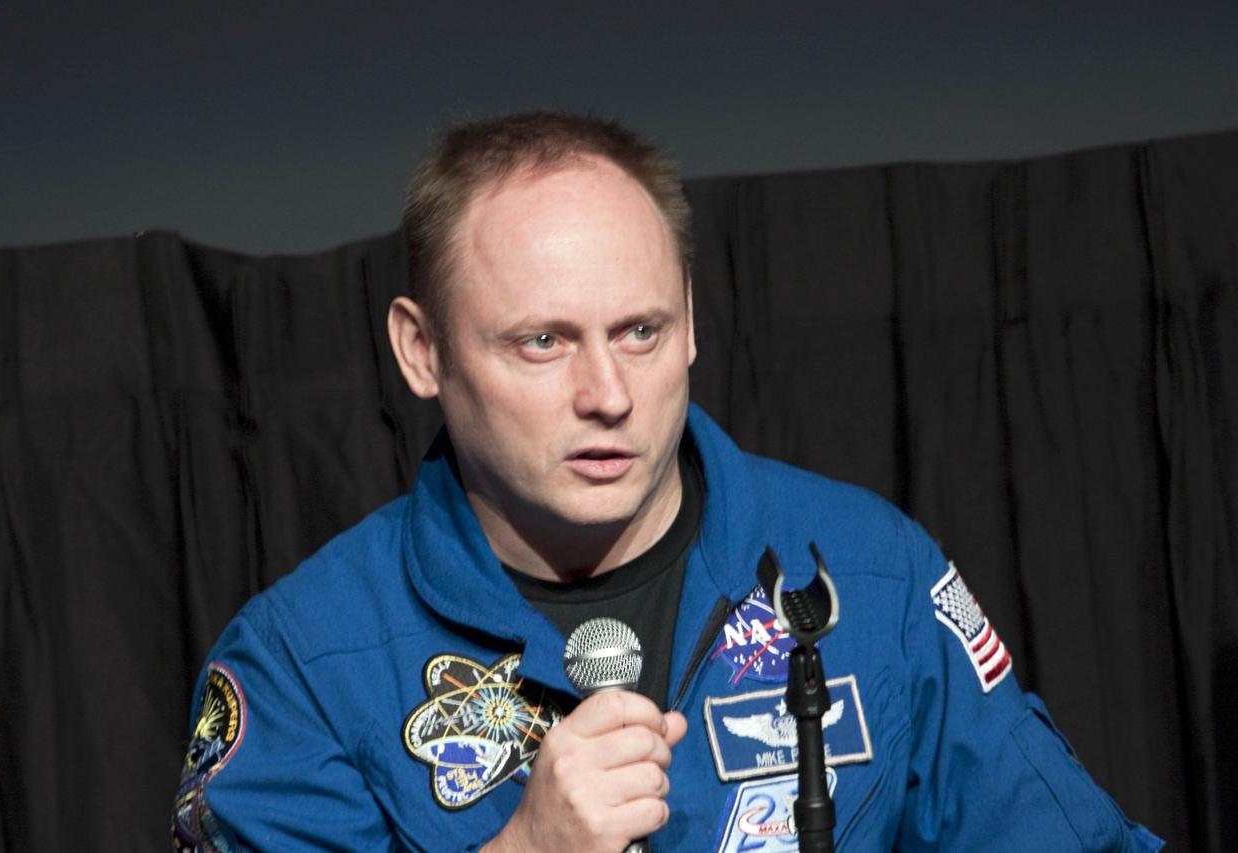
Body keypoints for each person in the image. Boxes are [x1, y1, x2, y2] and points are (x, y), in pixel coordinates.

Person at [172, 111, 1162, 852]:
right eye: (541, 342)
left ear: (689, 321)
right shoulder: (302, 662)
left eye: (638, 331)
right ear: (421, 351)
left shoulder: (866, 574)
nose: (607, 393)